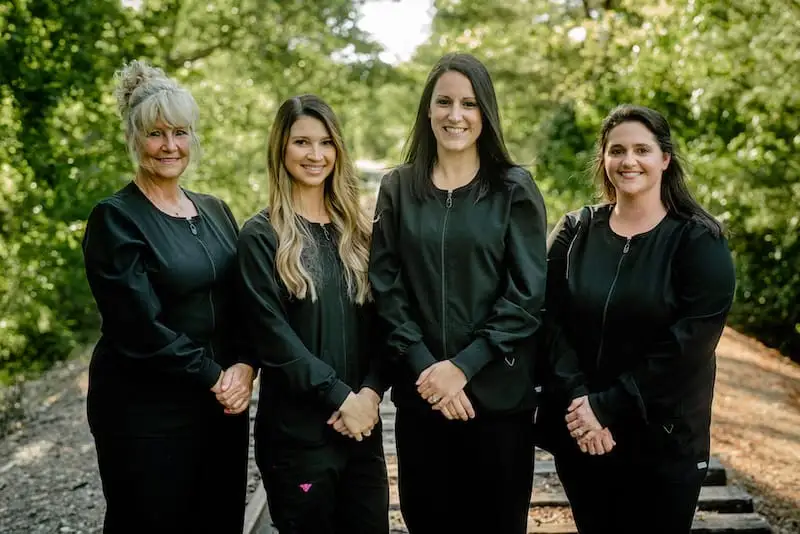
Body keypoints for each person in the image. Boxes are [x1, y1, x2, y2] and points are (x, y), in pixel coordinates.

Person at [369, 52, 548, 534]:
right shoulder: (398, 188)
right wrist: (428, 369)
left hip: (497, 402)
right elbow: (387, 289)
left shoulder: (514, 188)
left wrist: (464, 366)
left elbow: (527, 293)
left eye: (469, 104)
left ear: (485, 113)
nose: (455, 115)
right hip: (422, 397)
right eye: (444, 102)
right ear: (427, 110)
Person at [544, 104, 736, 533]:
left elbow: (690, 344)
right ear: (604, 159)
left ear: (664, 159)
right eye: (617, 151)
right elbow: (548, 321)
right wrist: (582, 405)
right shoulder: (576, 231)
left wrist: (606, 408)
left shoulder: (699, 240)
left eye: (642, 150)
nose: (628, 161)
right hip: (584, 437)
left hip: (663, 443)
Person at [81, 60, 253, 533]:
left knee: (217, 518)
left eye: (180, 132)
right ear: (135, 139)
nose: (170, 146)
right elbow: (137, 327)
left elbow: (242, 299)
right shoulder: (115, 218)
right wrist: (216, 376)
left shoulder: (216, 209)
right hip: (146, 410)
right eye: (156, 134)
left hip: (221, 404)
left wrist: (244, 365)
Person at [236, 94, 390, 534]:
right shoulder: (261, 236)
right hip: (298, 441)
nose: (316, 154)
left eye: (326, 142)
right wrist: (342, 397)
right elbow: (274, 339)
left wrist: (371, 396)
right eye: (302, 142)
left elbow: (387, 325)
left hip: (362, 431)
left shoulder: (359, 233)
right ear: (281, 149)